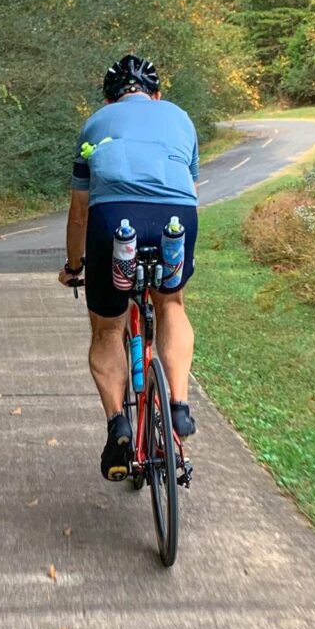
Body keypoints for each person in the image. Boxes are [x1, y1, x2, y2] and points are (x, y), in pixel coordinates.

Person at [58, 54, 199, 481]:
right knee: (171, 304)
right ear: (157, 95)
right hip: (175, 215)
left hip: (113, 219)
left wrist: (73, 265)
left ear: (108, 100)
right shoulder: (180, 118)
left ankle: (117, 423)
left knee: (107, 328)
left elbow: (79, 213)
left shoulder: (96, 123)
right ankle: (179, 405)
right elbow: (189, 188)